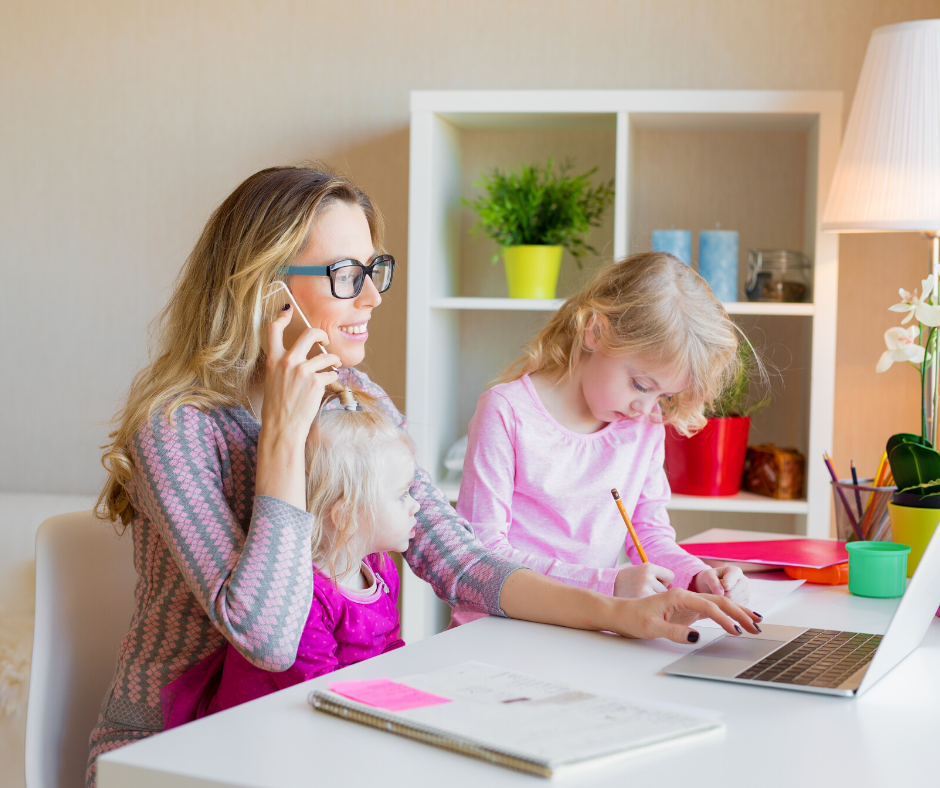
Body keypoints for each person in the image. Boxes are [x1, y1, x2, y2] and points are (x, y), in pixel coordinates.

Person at [87, 165, 759, 786]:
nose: (372, 296)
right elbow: (268, 638)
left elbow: (462, 560)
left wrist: (622, 612)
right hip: (175, 752)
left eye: (374, 270)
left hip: (303, 731)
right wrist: (284, 437)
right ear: (266, 290)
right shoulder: (179, 428)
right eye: (345, 274)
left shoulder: (355, 399)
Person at [452, 252, 752, 627]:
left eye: (663, 395)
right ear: (595, 331)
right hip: (499, 628)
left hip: (585, 628)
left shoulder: (645, 425)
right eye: (640, 385)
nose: (646, 408)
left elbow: (650, 536)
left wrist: (698, 576)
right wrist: (607, 585)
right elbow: (482, 557)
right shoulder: (506, 412)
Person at [161, 403, 417, 726]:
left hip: (332, 716)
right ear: (347, 515)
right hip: (260, 730)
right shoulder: (301, 595)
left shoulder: (380, 570)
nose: (415, 505)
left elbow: (390, 645)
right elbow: (318, 690)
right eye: (402, 495)